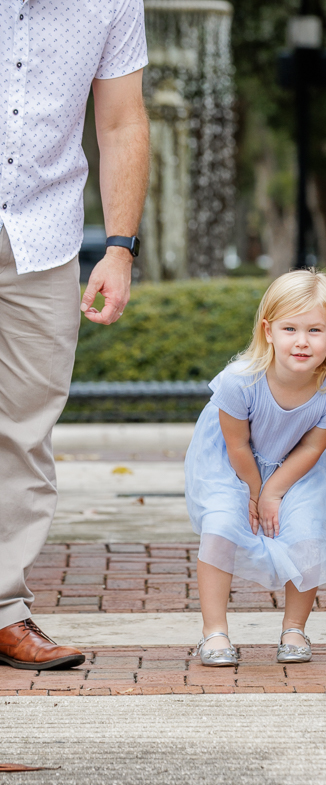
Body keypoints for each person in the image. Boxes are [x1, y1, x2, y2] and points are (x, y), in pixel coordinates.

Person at [0, 0, 150, 671]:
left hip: (43, 237)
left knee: (25, 430)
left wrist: (119, 249)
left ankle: (4, 609)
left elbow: (120, 121)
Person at [185, 270, 326, 665]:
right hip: (233, 465)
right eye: (290, 328)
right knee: (220, 527)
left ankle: (294, 628)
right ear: (269, 331)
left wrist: (274, 490)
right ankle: (213, 632)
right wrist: (254, 490)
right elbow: (236, 444)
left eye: (315, 330)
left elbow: (313, 447)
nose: (302, 342)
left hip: (300, 466)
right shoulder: (240, 381)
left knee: (307, 532)